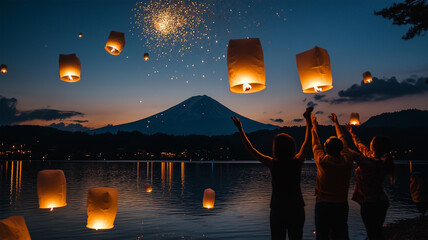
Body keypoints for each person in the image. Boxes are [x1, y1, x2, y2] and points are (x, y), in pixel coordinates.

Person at [231, 107, 313, 240]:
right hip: (296, 207)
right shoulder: (297, 162)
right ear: (292, 146)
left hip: (278, 208)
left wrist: (240, 129)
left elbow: (251, 149)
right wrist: (308, 121)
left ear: (276, 148)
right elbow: (307, 141)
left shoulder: (273, 163)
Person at [311, 113, 360, 240]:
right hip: (341, 204)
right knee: (341, 234)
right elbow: (342, 138)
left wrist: (313, 127)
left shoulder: (322, 161)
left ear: (326, 148)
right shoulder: (347, 160)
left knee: (322, 235)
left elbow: (315, 142)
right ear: (341, 149)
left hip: (323, 205)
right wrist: (336, 123)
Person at [345, 124, 396, 239]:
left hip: (370, 204)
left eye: (372, 142)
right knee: (376, 233)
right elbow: (361, 147)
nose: (370, 143)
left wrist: (341, 143)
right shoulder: (377, 160)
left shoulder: (371, 163)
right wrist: (352, 133)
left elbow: (354, 154)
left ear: (375, 147)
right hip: (379, 202)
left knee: (373, 234)